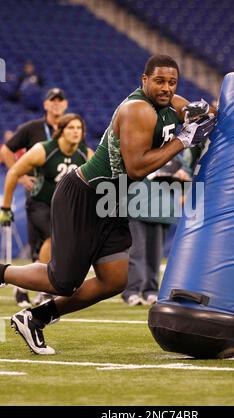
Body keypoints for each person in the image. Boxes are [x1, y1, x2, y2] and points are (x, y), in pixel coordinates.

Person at [0, 54, 216, 355]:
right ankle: (2, 272)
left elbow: (192, 110)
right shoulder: (137, 109)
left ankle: (36, 317)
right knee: (61, 282)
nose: (166, 88)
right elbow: (137, 168)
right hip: (85, 196)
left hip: (113, 201)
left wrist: (206, 110)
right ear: (144, 80)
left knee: (115, 280)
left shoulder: (172, 102)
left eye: (172, 82)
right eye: (159, 81)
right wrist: (183, 140)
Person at [1, 87, 68, 306]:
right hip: (38, 196)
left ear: (65, 105)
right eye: (53, 101)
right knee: (49, 240)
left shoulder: (69, 129)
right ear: (46, 105)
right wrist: (20, 177)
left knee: (45, 246)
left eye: (60, 101)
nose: (57, 104)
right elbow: (6, 151)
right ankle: (35, 288)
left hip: (63, 198)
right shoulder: (33, 128)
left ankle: (26, 288)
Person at [1, 112, 93, 268]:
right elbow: (13, 173)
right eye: (71, 127)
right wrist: (6, 208)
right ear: (61, 131)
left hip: (64, 207)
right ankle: (43, 283)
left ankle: (25, 284)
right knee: (54, 237)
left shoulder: (86, 153)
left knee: (64, 244)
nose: (76, 131)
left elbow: (95, 183)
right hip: (39, 204)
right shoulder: (43, 150)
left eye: (79, 128)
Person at [122, 152, 193, 306]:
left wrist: (183, 178)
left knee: (155, 254)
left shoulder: (175, 156)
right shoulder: (140, 151)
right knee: (136, 253)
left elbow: (187, 175)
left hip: (163, 210)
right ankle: (132, 290)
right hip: (137, 206)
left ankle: (151, 290)